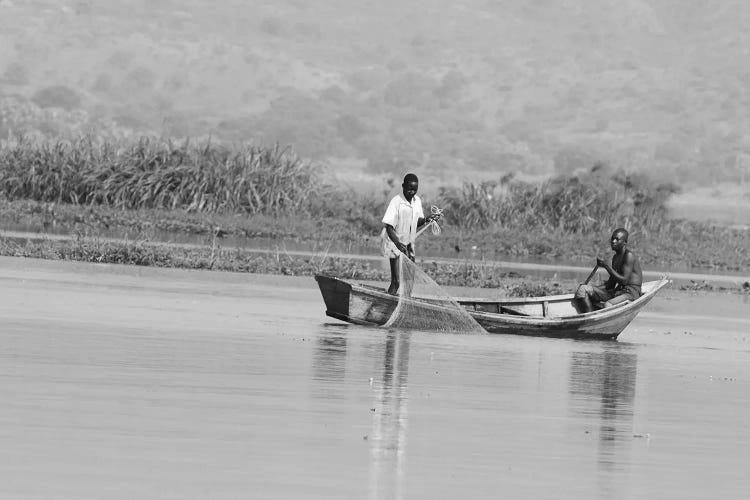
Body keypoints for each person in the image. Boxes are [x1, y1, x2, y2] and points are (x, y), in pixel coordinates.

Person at [381, 173, 440, 295]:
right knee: (396, 282)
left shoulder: (417, 201)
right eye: (409, 189)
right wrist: (398, 243)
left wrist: (427, 219)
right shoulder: (396, 202)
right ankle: (386, 305)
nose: (411, 192)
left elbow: (417, 222)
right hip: (395, 243)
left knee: (409, 281)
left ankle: (406, 303)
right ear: (403, 186)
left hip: (409, 243)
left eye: (414, 189)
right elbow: (389, 227)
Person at [574, 228, 643, 313]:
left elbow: (624, 281)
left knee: (608, 305)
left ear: (625, 242)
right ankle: (589, 316)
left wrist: (607, 266)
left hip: (631, 293)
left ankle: (595, 319)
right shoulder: (615, 258)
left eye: (617, 239)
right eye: (612, 238)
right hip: (618, 292)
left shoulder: (628, 256)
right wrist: (592, 288)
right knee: (583, 289)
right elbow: (611, 284)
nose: (613, 241)